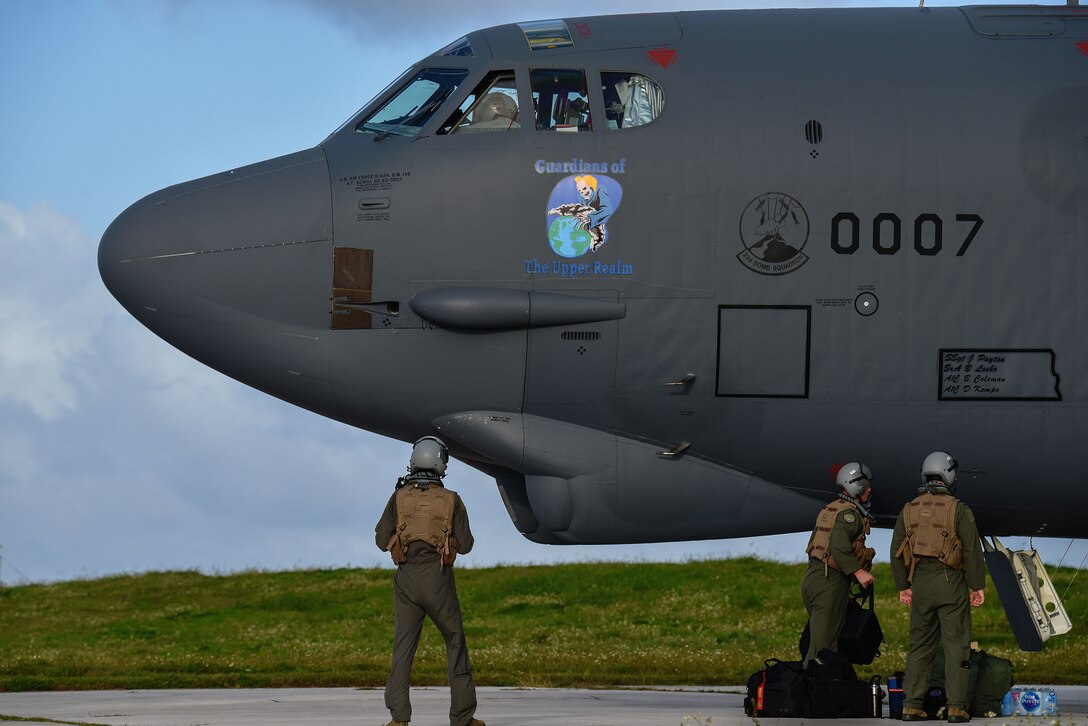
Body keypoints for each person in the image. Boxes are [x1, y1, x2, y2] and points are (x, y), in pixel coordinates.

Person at [375, 436, 485, 726]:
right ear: (441, 464)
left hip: (407, 582)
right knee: (455, 641)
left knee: (403, 648)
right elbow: (468, 543)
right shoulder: (452, 500)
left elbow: (380, 538)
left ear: (414, 461)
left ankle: (399, 718)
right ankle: (462, 717)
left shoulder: (398, 497)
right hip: (438, 582)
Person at [891, 451, 986, 724]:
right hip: (950, 583)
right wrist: (977, 585)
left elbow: (896, 552)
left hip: (920, 583)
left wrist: (903, 586)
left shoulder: (908, 509)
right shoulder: (959, 509)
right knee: (957, 646)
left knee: (919, 645)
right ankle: (956, 708)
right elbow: (972, 551)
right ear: (949, 475)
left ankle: (911, 706)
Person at [801, 462, 877, 665]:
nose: (870, 490)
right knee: (823, 652)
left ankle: (815, 689)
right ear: (856, 487)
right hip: (829, 583)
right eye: (866, 486)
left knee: (820, 644)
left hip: (814, 578)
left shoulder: (831, 509)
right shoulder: (850, 515)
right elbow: (838, 546)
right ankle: (815, 692)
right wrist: (859, 572)